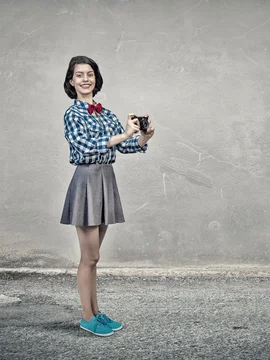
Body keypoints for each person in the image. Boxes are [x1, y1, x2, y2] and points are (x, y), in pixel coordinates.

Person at [60, 55, 155, 337]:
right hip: (87, 180)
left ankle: (96, 313)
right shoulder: (72, 114)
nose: (85, 79)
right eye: (79, 75)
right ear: (71, 81)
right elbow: (87, 146)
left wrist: (143, 137)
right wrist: (123, 135)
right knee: (89, 257)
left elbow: (125, 147)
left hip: (105, 179)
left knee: (94, 258)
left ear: (96, 79)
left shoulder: (105, 112)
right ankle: (87, 317)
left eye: (90, 74)